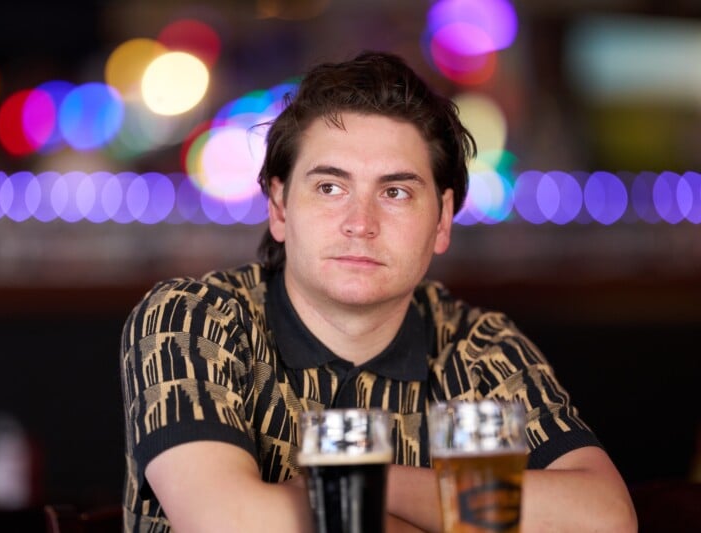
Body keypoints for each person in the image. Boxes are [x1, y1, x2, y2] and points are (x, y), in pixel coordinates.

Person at [119, 50, 637, 532]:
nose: (360, 223)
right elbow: (228, 523)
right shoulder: (192, 321)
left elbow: (606, 517)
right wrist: (460, 514)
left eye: (395, 192)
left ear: (441, 221)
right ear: (278, 207)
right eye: (330, 187)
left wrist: (370, 482)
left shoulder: (480, 349)